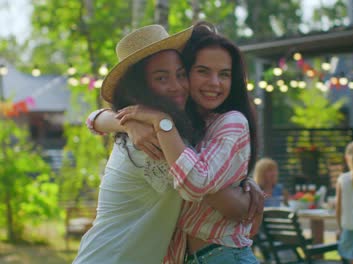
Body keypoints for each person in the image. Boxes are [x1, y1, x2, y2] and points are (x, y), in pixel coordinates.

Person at [74, 24, 261, 264]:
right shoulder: (150, 140)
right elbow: (207, 191)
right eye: (162, 78)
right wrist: (247, 197)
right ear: (139, 86)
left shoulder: (172, 131)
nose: (176, 86)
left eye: (181, 74)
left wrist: (243, 181)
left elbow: (95, 119)